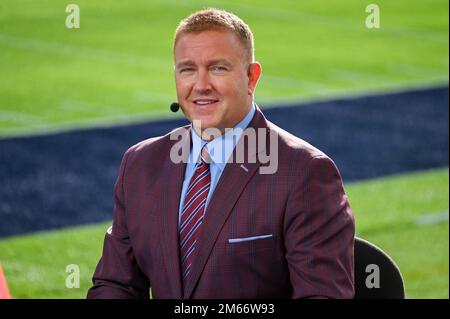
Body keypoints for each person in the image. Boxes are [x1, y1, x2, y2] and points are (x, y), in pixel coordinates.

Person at [87, 8, 355, 299]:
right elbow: (115, 285)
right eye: (187, 69)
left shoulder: (304, 172)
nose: (201, 85)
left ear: (252, 78)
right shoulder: (140, 163)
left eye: (218, 68)